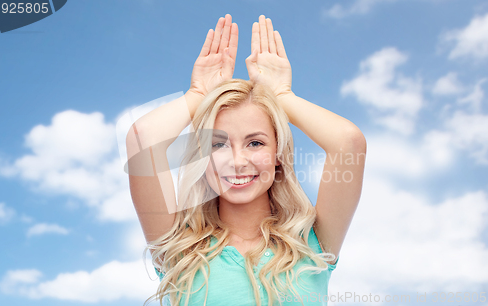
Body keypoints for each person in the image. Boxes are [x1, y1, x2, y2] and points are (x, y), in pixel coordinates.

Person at [126, 14, 366, 306]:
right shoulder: (180, 248)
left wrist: (280, 95)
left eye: (255, 143)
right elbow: (142, 140)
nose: (238, 161)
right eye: (218, 144)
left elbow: (348, 142)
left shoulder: (313, 242)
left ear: (278, 154)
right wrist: (198, 94)